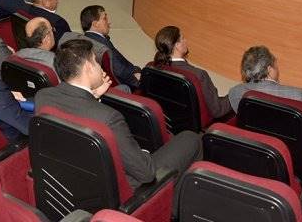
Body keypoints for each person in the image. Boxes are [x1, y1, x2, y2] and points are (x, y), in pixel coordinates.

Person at [35, 39, 202, 190]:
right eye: (96, 62)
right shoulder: (109, 118)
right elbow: (146, 173)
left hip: (71, 176)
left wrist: (93, 97)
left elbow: (75, 113)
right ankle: (170, 204)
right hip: (121, 189)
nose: (100, 67)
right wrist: (144, 153)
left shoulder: (43, 96)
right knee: (190, 138)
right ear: (88, 67)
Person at [227, 45, 302, 150]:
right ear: (269, 70)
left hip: (259, 147)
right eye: (275, 65)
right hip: (294, 154)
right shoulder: (298, 96)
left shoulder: (235, 93)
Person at [150, 26, 232, 119]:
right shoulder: (198, 75)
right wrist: (236, 93)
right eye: (183, 38)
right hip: (200, 124)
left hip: (170, 119)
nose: (186, 40)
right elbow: (218, 110)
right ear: (177, 45)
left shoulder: (152, 67)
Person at [73, 5, 141, 89]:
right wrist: (138, 82)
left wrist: (135, 70)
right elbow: (119, 71)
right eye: (105, 19)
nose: (109, 22)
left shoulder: (89, 39)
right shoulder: (102, 44)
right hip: (126, 84)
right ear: (95, 24)